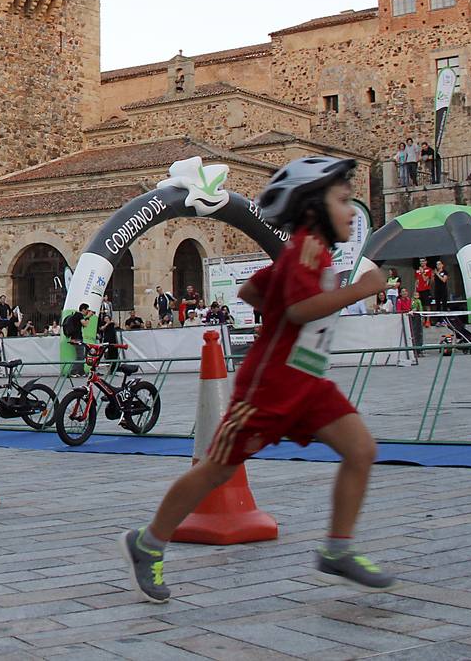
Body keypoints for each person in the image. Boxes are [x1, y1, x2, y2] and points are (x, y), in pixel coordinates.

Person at [120, 156, 393, 603]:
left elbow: (253, 290)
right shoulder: (306, 247)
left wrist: (276, 292)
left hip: (307, 383)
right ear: (311, 208)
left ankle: (338, 550)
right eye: (342, 200)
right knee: (215, 470)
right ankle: (147, 543)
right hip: (269, 390)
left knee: (361, 449)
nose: (350, 211)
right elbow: (297, 311)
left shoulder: (313, 252)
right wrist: (361, 289)